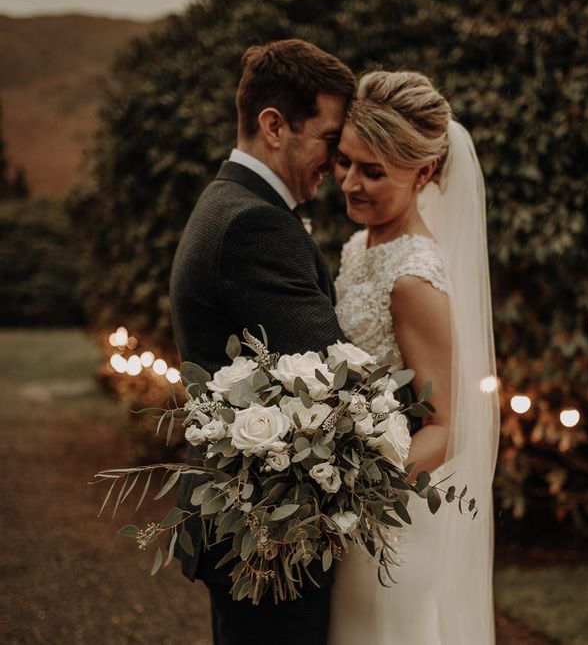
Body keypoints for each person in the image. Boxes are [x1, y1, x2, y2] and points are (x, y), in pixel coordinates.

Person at [169, 39, 356, 645]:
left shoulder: (226, 202)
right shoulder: (254, 223)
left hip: (254, 522)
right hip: (272, 534)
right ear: (274, 126)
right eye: (330, 138)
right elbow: (333, 376)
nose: (338, 158)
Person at [328, 71, 500, 644]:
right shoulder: (361, 246)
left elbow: (451, 427)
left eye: (372, 172)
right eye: (345, 161)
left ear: (423, 172)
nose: (350, 182)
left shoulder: (413, 278)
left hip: (391, 514)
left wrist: (353, 488)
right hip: (353, 506)